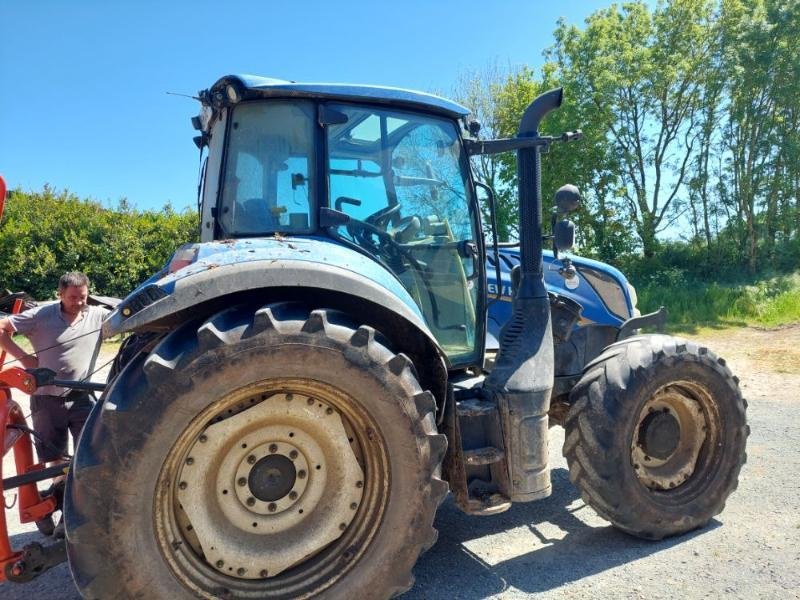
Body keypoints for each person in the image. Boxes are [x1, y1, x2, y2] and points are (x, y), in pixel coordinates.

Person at [0, 271, 109, 468]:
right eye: (72, 297)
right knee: (54, 458)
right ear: (60, 294)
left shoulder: (99, 315)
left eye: (82, 297)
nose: (77, 302)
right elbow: (1, 327)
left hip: (82, 398)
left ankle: (81, 493)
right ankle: (58, 489)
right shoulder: (41, 315)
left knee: (90, 454)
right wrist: (25, 359)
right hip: (46, 399)